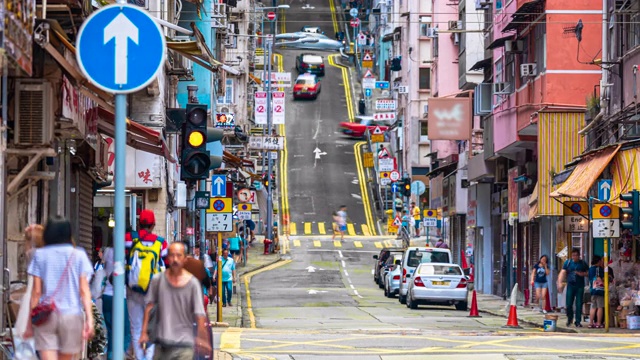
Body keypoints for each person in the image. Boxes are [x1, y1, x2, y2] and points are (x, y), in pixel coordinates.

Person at [24, 216, 95, 360]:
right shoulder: (79, 254)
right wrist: (90, 319)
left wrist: (28, 323)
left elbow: (36, 292)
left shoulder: (39, 255)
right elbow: (84, 290)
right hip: (71, 315)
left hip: (46, 316)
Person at [140, 243, 211, 359]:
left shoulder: (193, 284)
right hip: (162, 344)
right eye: (172, 255)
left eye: (179, 255)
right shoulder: (157, 280)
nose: (175, 259)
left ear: (185, 259)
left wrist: (202, 337)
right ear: (167, 258)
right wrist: (143, 333)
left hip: (184, 345)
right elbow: (149, 307)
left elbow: (200, 314)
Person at [125, 209, 168, 360]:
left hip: (132, 288)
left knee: (136, 327)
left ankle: (139, 357)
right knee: (151, 327)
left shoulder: (129, 238)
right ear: (153, 224)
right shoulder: (161, 242)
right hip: (153, 290)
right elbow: (167, 264)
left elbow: (122, 258)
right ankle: (149, 357)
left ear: (139, 223)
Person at [102, 246, 133, 360]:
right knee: (125, 333)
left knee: (111, 333)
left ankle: (111, 357)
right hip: (122, 296)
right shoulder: (128, 254)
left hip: (107, 296)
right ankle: (120, 356)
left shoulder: (108, 251)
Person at [557, 248, 589, 327]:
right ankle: (569, 319)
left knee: (579, 304)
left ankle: (578, 321)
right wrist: (560, 282)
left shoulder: (583, 263)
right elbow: (563, 272)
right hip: (570, 285)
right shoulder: (568, 263)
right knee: (568, 304)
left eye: (576, 255)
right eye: (573, 255)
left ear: (579, 256)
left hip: (580, 286)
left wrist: (582, 274)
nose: (574, 257)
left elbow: (588, 273)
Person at [588, 255, 605, 328]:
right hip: (600, 290)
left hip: (593, 290)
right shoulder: (599, 269)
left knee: (593, 307)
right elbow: (603, 278)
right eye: (601, 261)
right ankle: (598, 322)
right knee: (600, 307)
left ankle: (591, 323)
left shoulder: (590, 269)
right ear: (598, 261)